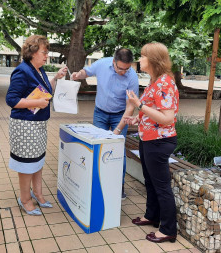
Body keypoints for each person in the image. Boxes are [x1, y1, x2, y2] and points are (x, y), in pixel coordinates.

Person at [6, 35, 67, 216]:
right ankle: (25, 199)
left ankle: (38, 194)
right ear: (32, 52)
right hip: (25, 126)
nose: (46, 56)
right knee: (26, 165)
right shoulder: (22, 71)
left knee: (37, 161)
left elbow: (44, 91)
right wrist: (37, 103)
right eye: (44, 52)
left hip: (37, 125)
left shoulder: (38, 70)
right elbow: (11, 99)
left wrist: (55, 77)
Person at [124, 42, 179, 243]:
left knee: (162, 186)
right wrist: (138, 118)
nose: (139, 60)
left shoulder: (164, 83)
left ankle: (168, 230)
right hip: (148, 139)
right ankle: (152, 216)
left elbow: (167, 118)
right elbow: (153, 111)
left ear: (153, 60)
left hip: (159, 141)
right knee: (151, 181)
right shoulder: (154, 81)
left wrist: (139, 106)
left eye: (142, 56)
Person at [71, 48, 139, 199]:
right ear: (113, 62)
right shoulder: (102, 64)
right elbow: (86, 72)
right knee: (97, 147)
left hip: (120, 115)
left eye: (127, 69)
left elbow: (130, 106)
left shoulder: (132, 77)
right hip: (100, 113)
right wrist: (78, 75)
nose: (123, 72)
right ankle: (96, 182)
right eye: (120, 68)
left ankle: (118, 185)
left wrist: (118, 129)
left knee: (118, 151)